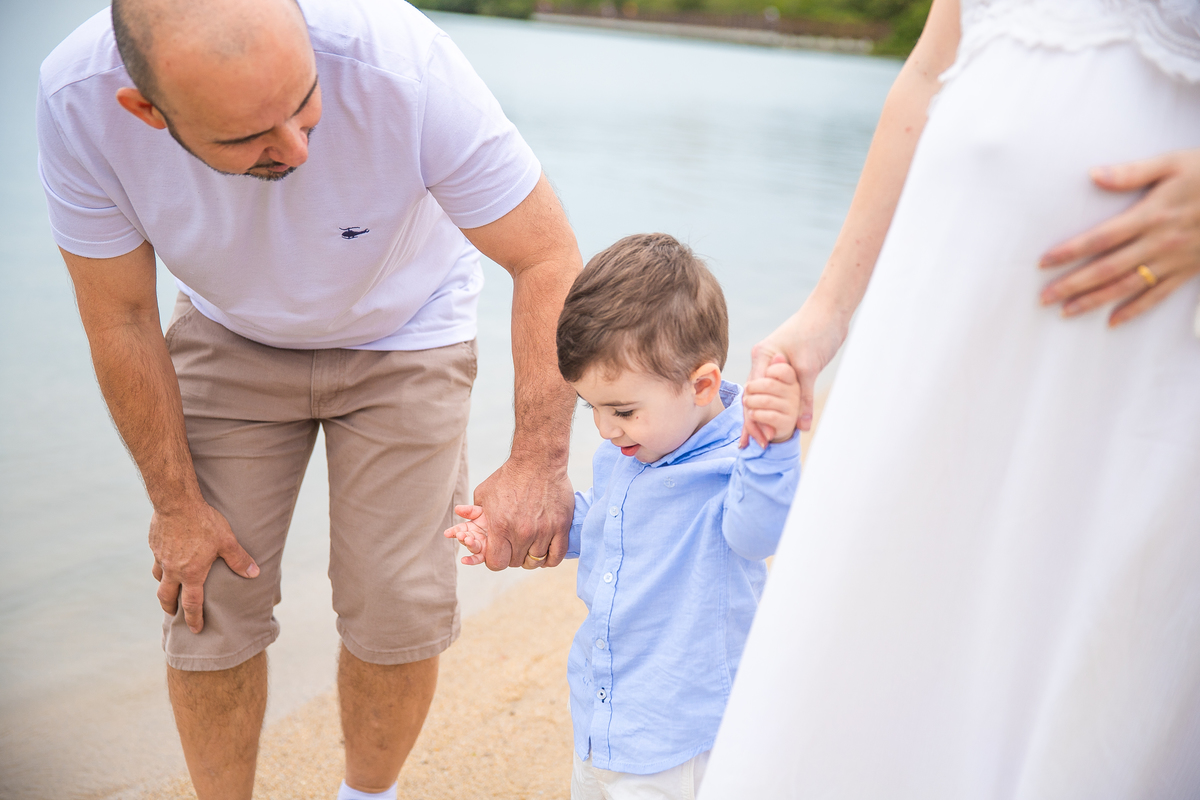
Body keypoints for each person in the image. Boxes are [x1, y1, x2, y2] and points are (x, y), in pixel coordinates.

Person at [36, 0, 583, 797]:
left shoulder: (400, 59)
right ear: (145, 111)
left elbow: (546, 254)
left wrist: (538, 458)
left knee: (398, 604)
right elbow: (120, 315)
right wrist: (174, 504)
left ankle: (369, 794)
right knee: (208, 599)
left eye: (305, 103)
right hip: (229, 330)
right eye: (249, 135)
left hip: (407, 324)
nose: (296, 147)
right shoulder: (77, 100)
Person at [700, 0, 1200, 797]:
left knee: (1080, 647)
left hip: (1132, 342)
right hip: (931, 321)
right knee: (872, 628)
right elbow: (931, 70)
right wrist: (828, 312)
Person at [445, 233, 802, 800]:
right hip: (604, 714)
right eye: (591, 408)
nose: (606, 430)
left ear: (702, 384)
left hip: (679, 737)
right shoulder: (634, 446)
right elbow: (610, 520)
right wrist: (520, 530)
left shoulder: (737, 462)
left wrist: (776, 446)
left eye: (623, 410)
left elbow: (758, 532)